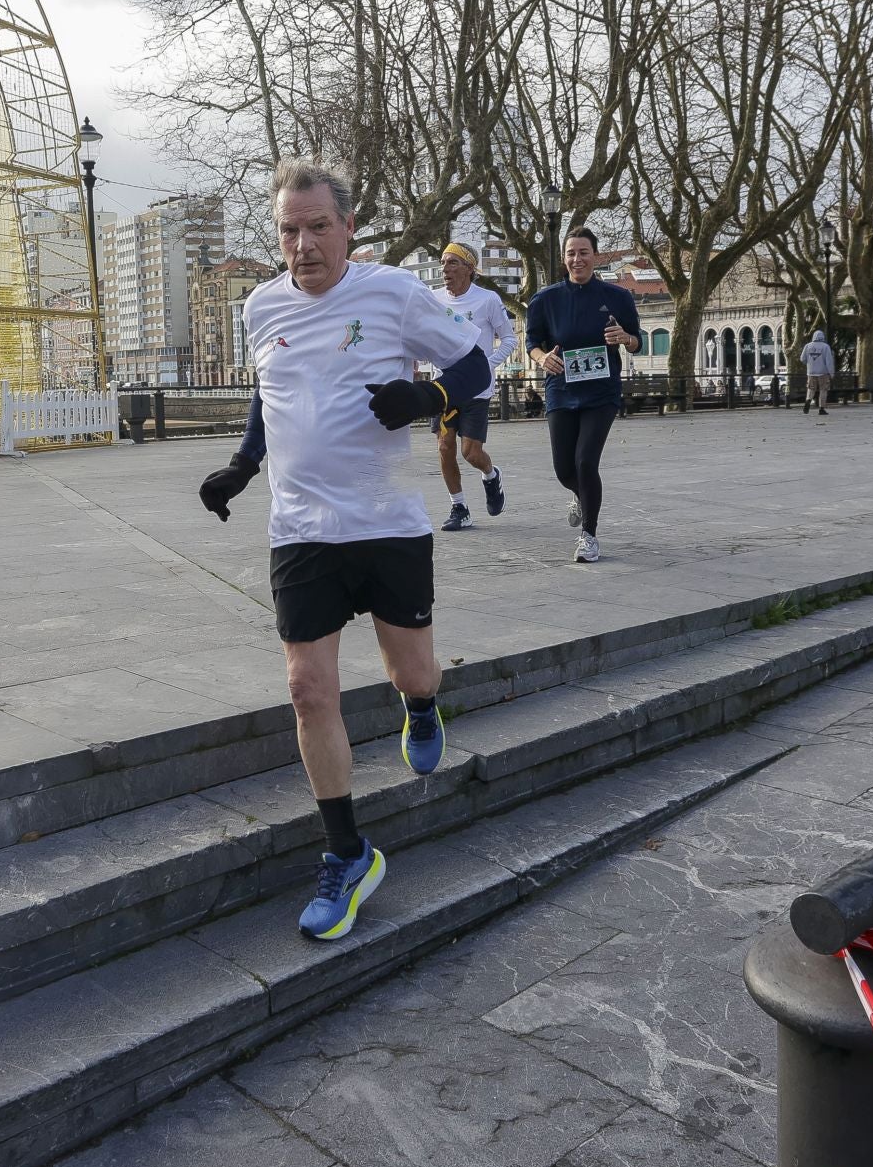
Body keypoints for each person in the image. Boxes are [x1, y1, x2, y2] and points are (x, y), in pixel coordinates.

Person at [196, 159, 489, 942]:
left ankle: (421, 705)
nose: (302, 245)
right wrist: (243, 465)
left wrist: (429, 398)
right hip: (301, 530)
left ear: (348, 228)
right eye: (289, 230)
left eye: (317, 226)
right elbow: (270, 392)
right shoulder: (260, 308)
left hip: (389, 520)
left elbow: (476, 364)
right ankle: (347, 853)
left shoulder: (392, 292)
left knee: (412, 670)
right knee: (306, 688)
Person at [524, 227, 641, 563]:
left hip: (601, 390)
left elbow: (637, 340)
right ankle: (581, 495)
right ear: (564, 258)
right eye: (571, 253)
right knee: (564, 469)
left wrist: (625, 338)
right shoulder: (545, 299)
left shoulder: (617, 297)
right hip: (561, 388)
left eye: (584, 252)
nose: (577, 259)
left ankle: (588, 536)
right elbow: (532, 343)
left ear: (596, 256)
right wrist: (542, 358)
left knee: (586, 461)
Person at [430, 244, 514, 530]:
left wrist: (485, 365)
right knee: (444, 447)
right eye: (442, 263)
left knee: (471, 453)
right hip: (445, 386)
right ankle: (459, 507)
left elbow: (510, 340)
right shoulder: (433, 299)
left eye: (452, 262)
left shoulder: (488, 300)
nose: (445, 269)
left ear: (469, 268)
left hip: (477, 389)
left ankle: (491, 475)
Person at [801, 329, 836, 416]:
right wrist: (831, 373)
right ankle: (821, 408)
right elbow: (829, 361)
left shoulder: (807, 346)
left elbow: (802, 359)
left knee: (811, 389)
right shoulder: (825, 347)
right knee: (823, 390)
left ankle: (808, 400)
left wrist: (809, 363)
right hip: (823, 372)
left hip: (811, 372)